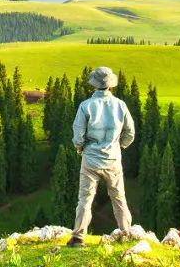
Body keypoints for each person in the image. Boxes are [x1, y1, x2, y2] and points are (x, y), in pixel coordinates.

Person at [67, 66, 135, 247]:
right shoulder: (120, 105)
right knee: (119, 197)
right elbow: (130, 133)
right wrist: (119, 146)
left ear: (94, 85)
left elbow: (78, 135)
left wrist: (80, 148)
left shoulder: (86, 106)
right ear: (110, 85)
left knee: (85, 199)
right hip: (113, 160)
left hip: (90, 160)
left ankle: (78, 237)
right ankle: (126, 232)